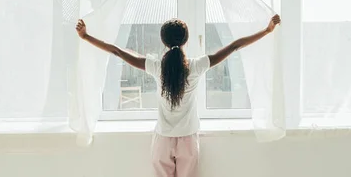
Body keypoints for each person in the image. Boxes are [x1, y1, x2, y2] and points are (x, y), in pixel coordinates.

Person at [76, 14, 281, 177]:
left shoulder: (156, 67)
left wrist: (86, 36)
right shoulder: (196, 66)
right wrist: (266, 30)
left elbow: (117, 51)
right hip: (188, 139)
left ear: (163, 41)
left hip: (163, 139)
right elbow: (234, 46)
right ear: (186, 40)